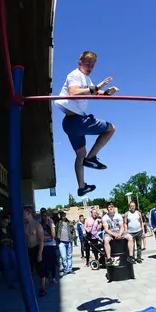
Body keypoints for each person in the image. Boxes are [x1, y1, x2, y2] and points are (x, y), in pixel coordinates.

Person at [55, 51, 119, 196]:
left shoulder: (87, 80)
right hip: (78, 121)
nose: (90, 67)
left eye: (93, 65)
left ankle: (82, 186)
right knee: (111, 128)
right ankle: (92, 158)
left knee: (80, 155)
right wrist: (95, 88)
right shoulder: (74, 75)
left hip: (70, 124)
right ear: (80, 62)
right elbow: (73, 92)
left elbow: (96, 93)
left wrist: (107, 92)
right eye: (87, 63)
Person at [23, 206, 47, 297]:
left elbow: (41, 240)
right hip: (28, 250)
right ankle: (30, 288)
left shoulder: (37, 225)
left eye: (24, 213)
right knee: (29, 270)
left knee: (40, 270)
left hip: (37, 248)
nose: (22, 215)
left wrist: (40, 253)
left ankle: (43, 288)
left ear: (29, 213)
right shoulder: (24, 225)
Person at [0, 214, 16, 289]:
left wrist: (8, 241)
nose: (6, 224)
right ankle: (9, 282)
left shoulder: (9, 229)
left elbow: (12, 238)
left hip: (10, 248)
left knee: (14, 263)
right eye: (5, 222)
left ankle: (16, 279)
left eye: (7, 222)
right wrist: (5, 240)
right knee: (6, 265)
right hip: (3, 249)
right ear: (2, 221)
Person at [39, 208, 58, 282]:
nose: (45, 217)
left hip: (51, 245)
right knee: (45, 263)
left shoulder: (50, 221)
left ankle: (53, 277)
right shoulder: (39, 222)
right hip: (43, 245)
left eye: (46, 215)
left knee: (52, 262)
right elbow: (40, 237)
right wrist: (45, 237)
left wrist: (49, 225)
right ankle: (46, 276)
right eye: (43, 215)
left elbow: (53, 235)